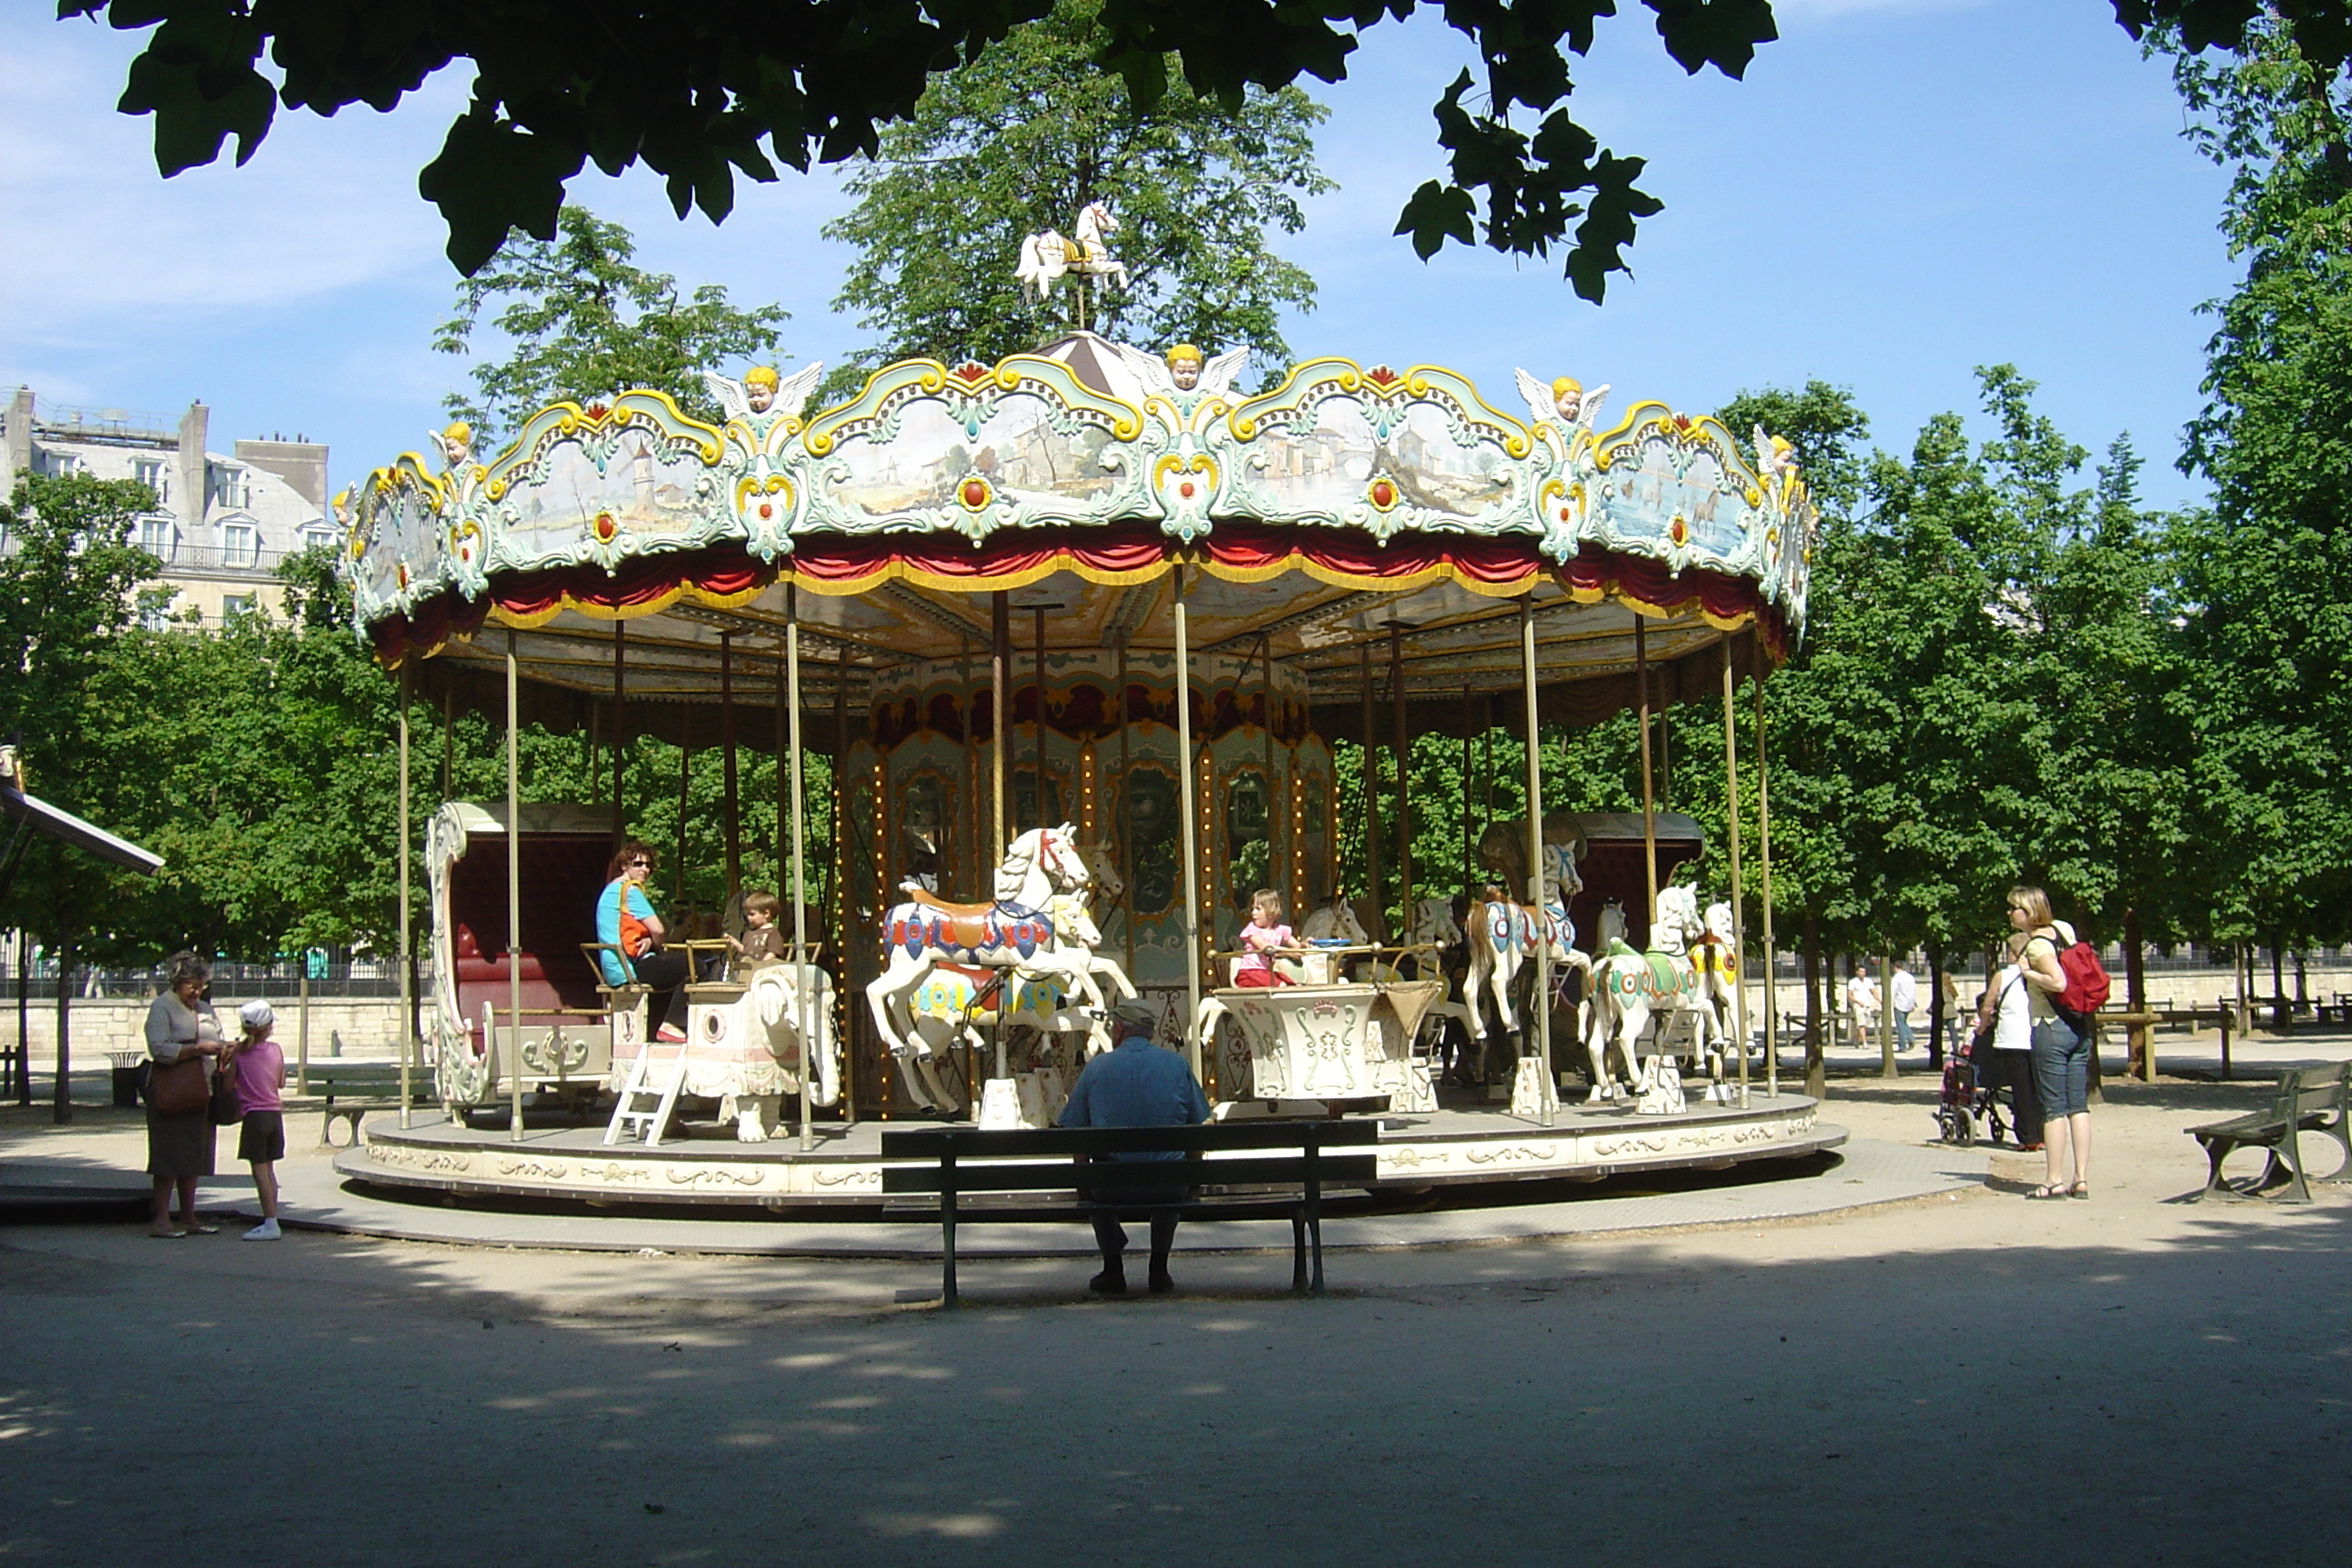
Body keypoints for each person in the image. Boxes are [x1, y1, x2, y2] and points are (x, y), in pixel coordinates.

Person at [1056, 997, 1211, 1297]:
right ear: (1149, 1032)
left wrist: (1083, 1188)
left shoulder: (1097, 1067)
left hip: (1111, 1187)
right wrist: (1194, 1182)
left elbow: (1076, 1134)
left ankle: (1113, 1268)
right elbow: (1196, 1130)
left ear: (1117, 1030)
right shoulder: (1177, 1064)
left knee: (1098, 1179)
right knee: (1167, 1169)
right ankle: (1159, 1267)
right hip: (1167, 1185)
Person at [2011, 885, 2091, 1198]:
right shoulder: (2063, 930)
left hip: (2049, 1025)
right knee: (2078, 1106)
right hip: (2077, 1025)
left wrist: (2028, 973)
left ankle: (2053, 1179)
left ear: (2028, 912)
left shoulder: (2035, 946)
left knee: (2053, 1107)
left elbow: (2057, 981)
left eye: (2014, 907)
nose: (2009, 913)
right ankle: (2081, 1178)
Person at [142, 951, 223, 1239]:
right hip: (172, 1089)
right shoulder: (162, 1007)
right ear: (177, 981)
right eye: (192, 985)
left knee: (194, 1154)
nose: (197, 991)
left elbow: (217, 1036)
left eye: (201, 985)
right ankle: (162, 1219)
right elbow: (159, 1049)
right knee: (168, 1154)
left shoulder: (204, 1009)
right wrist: (197, 1050)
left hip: (202, 1088)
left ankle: (189, 1216)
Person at [594, 840, 690, 1042]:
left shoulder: (610, 890)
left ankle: (653, 1033)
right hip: (629, 966)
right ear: (624, 865)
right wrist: (656, 944)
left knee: (668, 972)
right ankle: (672, 1024)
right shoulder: (630, 890)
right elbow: (659, 929)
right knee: (695, 966)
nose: (644, 869)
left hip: (612, 966)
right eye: (638, 864)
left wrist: (646, 940)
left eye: (647, 865)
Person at [224, 1000, 286, 1240]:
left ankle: (270, 1222)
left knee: (259, 1170)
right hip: (274, 1113)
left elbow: (228, 1085)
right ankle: (272, 1217)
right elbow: (280, 1082)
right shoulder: (276, 1050)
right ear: (267, 1026)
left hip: (253, 1115)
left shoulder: (240, 1053)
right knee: (269, 1169)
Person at [1979, 933, 2043, 1153]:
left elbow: (1988, 1006)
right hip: (2037, 1036)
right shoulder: (2039, 974)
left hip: (2012, 1038)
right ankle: (2044, 1132)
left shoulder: (2003, 976)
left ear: (2015, 953)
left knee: (2021, 1089)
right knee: (2039, 1087)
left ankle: (2028, 1136)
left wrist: (1982, 1026)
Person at [1233, 889, 1297, 987]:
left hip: (1265, 972)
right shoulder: (1252, 930)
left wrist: (1304, 945)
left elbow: (1296, 946)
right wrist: (1288, 952)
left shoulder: (1280, 930)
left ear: (1271, 912)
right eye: (1253, 909)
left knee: (1293, 985)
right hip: (1249, 972)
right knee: (1281, 985)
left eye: (1258, 909)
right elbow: (1264, 947)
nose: (1253, 913)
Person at [727, 889, 789, 966]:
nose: (749, 918)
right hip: (748, 969)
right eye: (748, 914)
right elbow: (745, 951)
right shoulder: (749, 933)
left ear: (766, 914)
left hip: (765, 970)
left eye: (752, 914)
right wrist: (734, 942)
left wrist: (761, 965)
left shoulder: (772, 933)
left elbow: (773, 953)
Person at [1890, 959, 1918, 1054]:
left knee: (1900, 1025)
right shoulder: (1910, 977)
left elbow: (1893, 991)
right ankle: (1910, 1038)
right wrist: (1914, 1002)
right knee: (1904, 1023)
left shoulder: (1896, 978)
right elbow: (1913, 991)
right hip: (1909, 1003)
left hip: (1899, 1003)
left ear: (1895, 968)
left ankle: (1903, 1045)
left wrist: (1890, 1003)